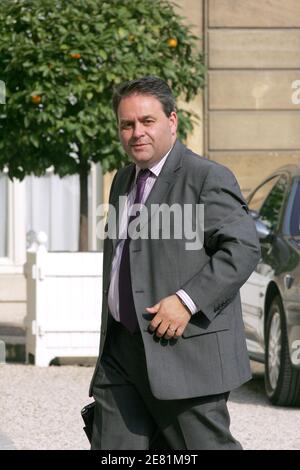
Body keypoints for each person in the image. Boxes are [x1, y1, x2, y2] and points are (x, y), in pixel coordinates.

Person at [89, 76, 261, 450]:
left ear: (171, 122)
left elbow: (243, 248)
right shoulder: (122, 180)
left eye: (147, 121)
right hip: (120, 353)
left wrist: (187, 300)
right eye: (127, 124)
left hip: (183, 354)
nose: (137, 132)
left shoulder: (205, 177)